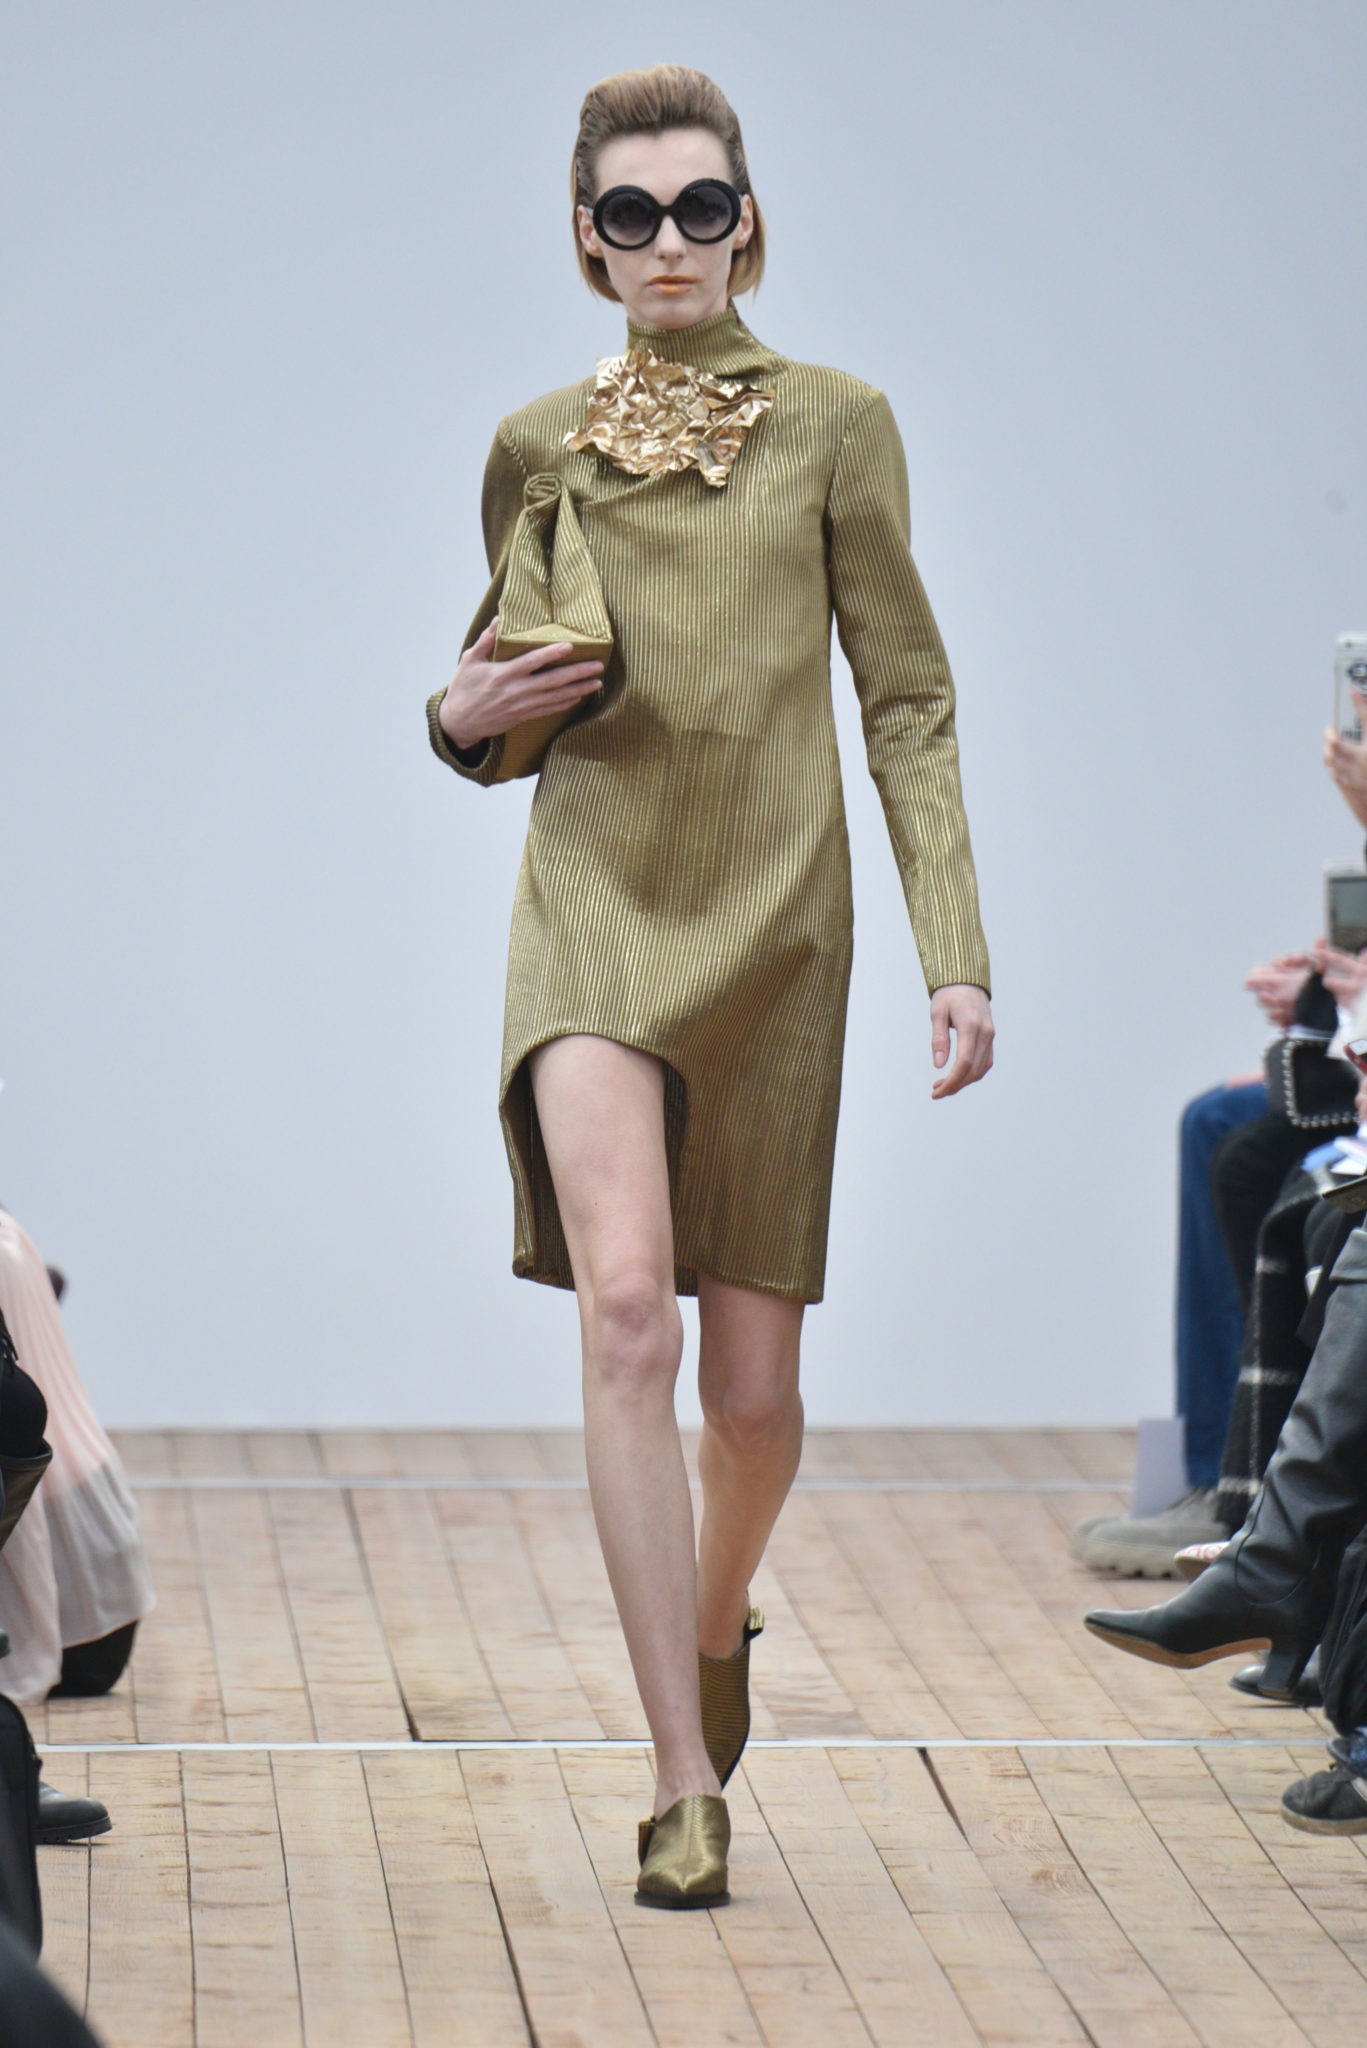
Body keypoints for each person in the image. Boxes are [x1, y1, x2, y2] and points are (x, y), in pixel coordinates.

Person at [427, 65, 993, 1906]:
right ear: (586, 243)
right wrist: (451, 718)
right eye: (630, 212)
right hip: (594, 901)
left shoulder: (838, 425)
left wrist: (956, 947)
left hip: (779, 929)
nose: (667, 240)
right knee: (627, 1323)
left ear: (749, 223)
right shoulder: (534, 445)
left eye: (698, 206)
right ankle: (681, 1775)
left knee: (751, 1403)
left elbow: (905, 694)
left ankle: (719, 1607)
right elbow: (505, 691)